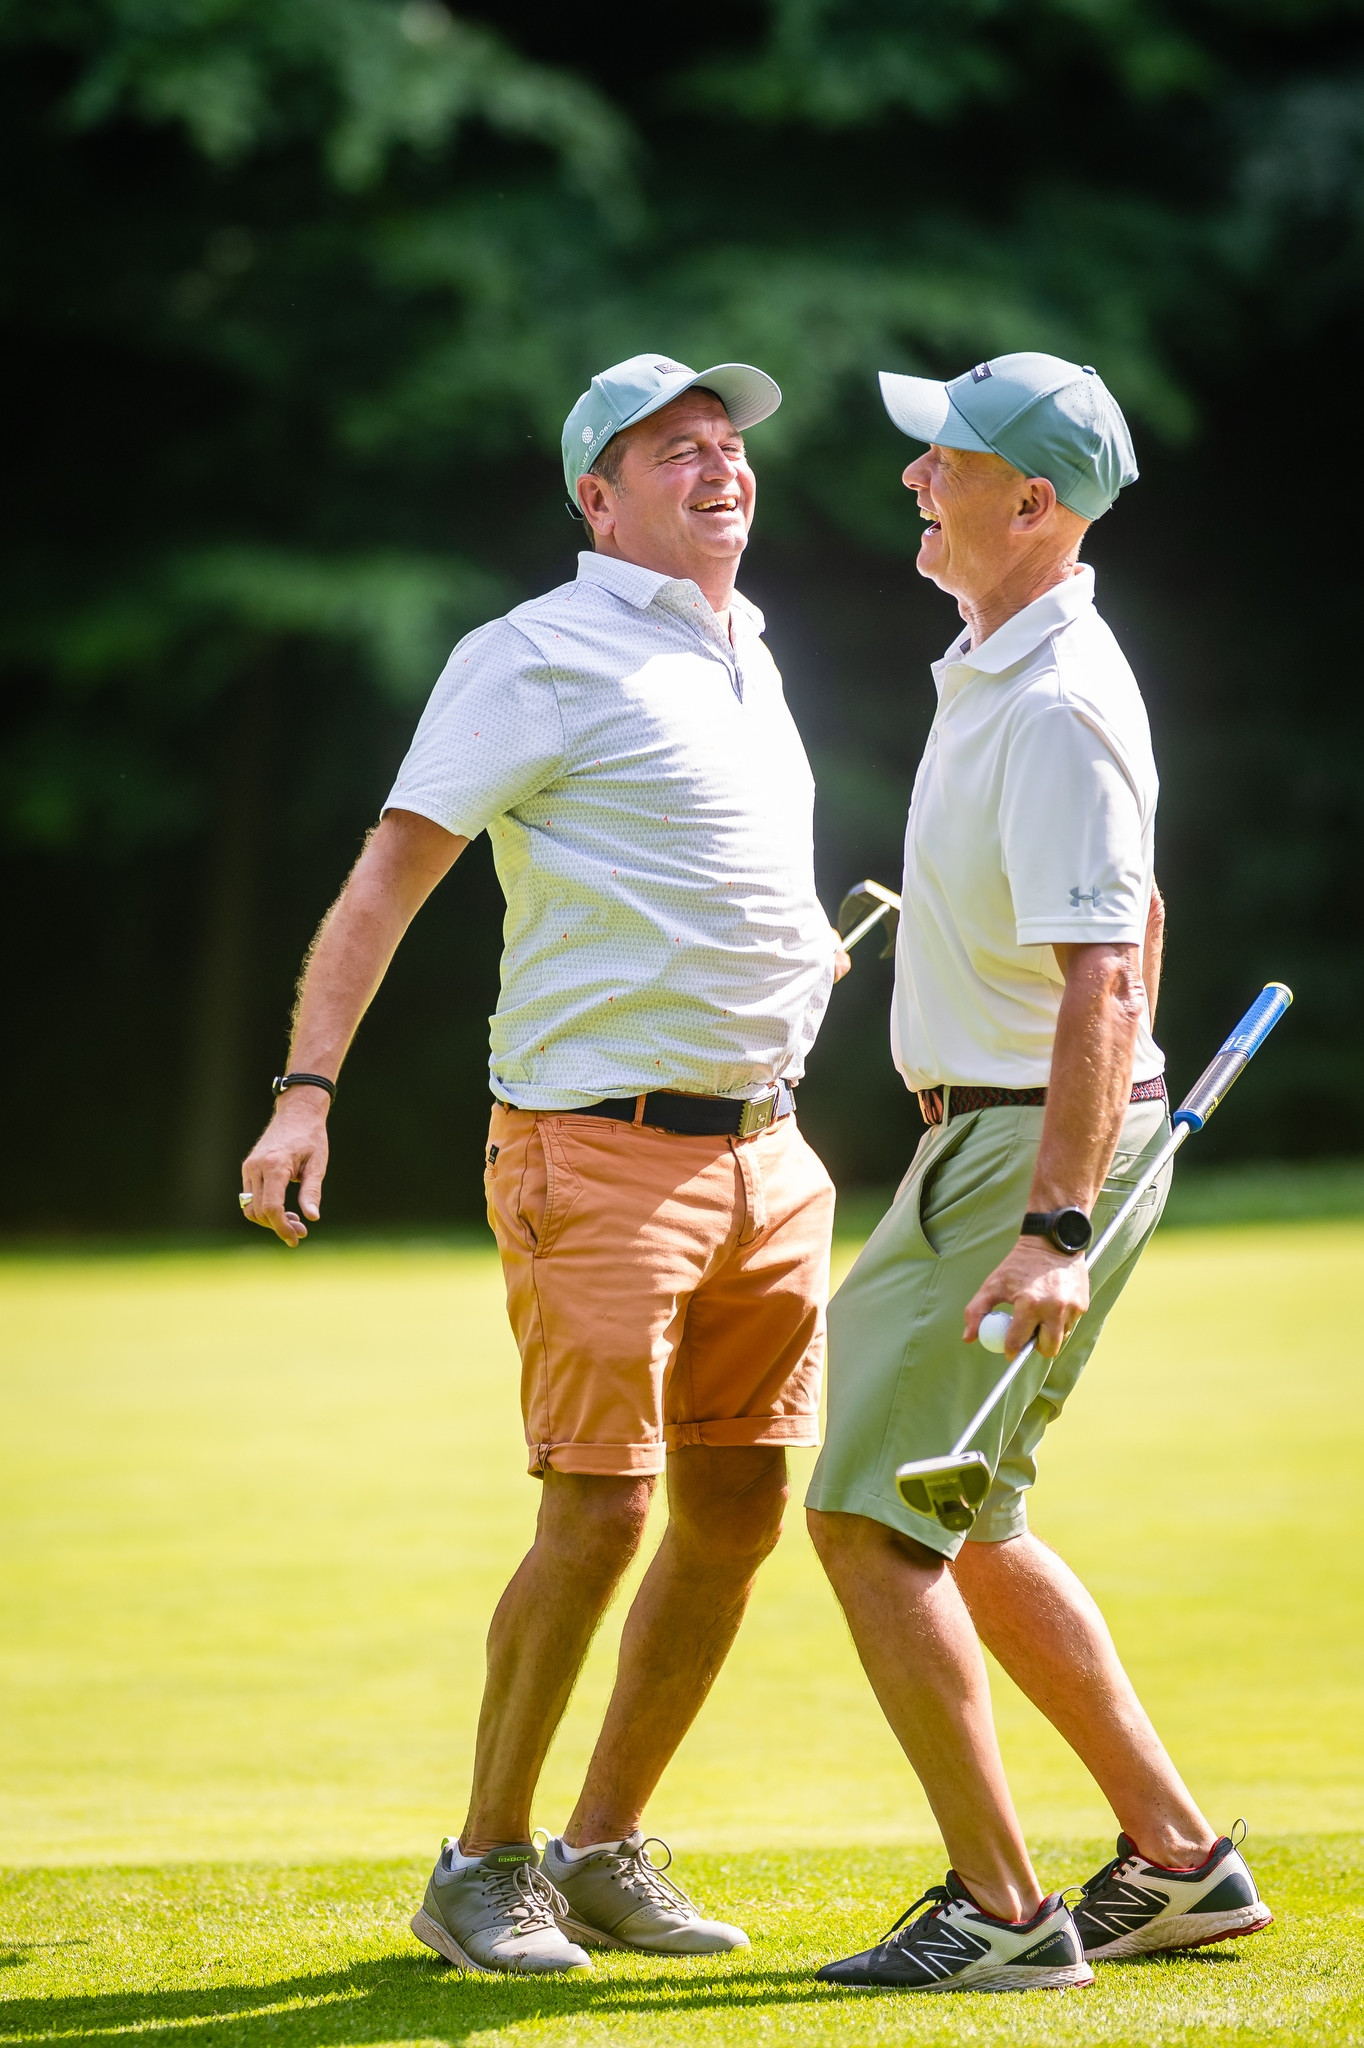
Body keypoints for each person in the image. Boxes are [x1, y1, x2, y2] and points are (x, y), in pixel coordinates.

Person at [239, 352, 844, 1976]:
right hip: (598, 1147)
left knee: (740, 1507)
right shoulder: (531, 654)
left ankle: (603, 1847)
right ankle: (482, 1862)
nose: (720, 468)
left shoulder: (749, 647)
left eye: (728, 446)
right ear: (599, 497)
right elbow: (388, 882)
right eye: (675, 452)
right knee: (601, 1510)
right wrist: (306, 1095)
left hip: (770, 1148)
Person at [805, 353, 1273, 1992]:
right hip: (1009, 1133)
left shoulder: (1058, 698)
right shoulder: (1002, 666)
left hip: (1018, 1153)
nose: (914, 479)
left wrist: (1058, 1221)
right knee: (970, 1513)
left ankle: (1002, 1915)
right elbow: (1136, 925)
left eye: (943, 458)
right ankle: (1179, 1860)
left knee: (871, 1523)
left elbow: (1108, 972)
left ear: (1033, 501)